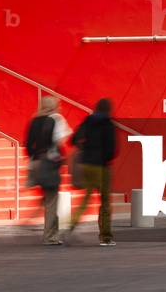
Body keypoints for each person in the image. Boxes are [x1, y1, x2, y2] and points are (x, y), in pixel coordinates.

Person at [67, 98, 117, 245]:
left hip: (86, 165)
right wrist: (105, 158)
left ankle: (71, 225)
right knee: (105, 202)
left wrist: (85, 149)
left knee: (85, 199)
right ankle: (105, 237)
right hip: (101, 166)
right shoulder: (109, 124)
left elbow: (73, 139)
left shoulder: (87, 122)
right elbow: (112, 149)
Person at [25, 96, 71, 246]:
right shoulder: (56, 119)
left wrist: (35, 157)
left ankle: (48, 230)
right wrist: (60, 157)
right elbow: (60, 141)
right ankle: (50, 236)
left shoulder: (34, 120)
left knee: (47, 198)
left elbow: (28, 144)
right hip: (49, 164)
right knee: (52, 200)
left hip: (36, 163)